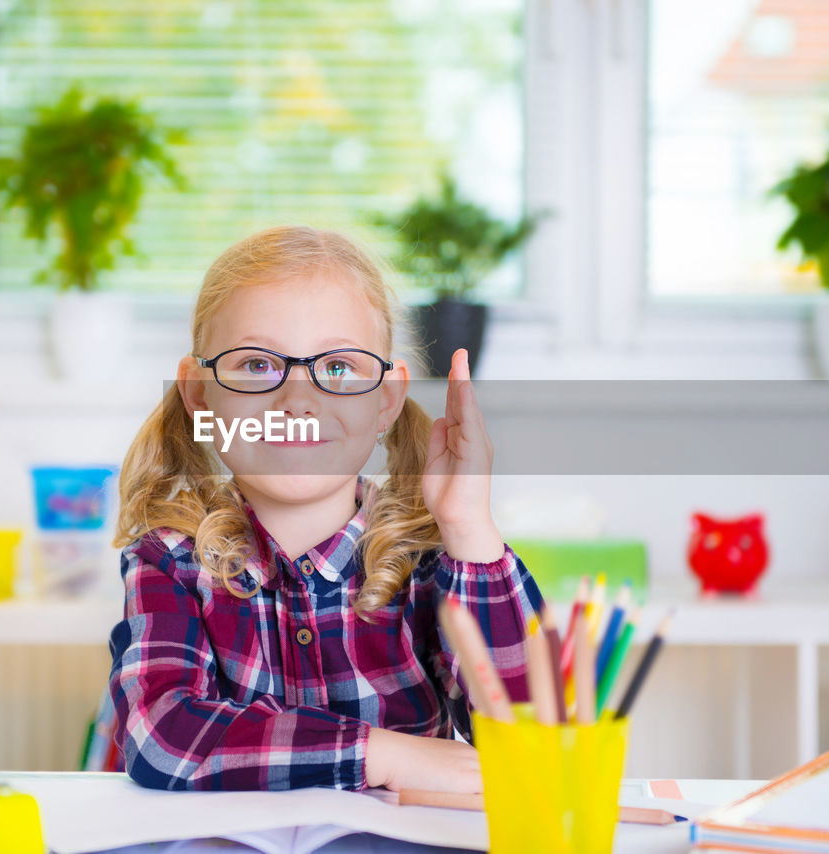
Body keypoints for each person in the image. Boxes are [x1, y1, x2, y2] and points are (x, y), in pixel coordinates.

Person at [106, 224, 543, 792]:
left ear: (385, 400)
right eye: (258, 365)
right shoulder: (170, 559)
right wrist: (378, 755)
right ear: (198, 395)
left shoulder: (430, 557)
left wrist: (468, 527)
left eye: (337, 368)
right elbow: (161, 737)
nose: (297, 401)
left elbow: (538, 735)